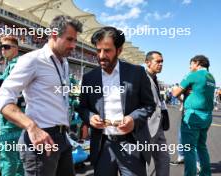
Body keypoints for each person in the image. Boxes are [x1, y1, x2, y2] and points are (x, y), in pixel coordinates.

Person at [0, 15, 83, 176]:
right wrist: (31, 127)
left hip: (63, 138)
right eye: (69, 39)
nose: (73, 46)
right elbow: (1, 97)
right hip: (41, 140)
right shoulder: (32, 60)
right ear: (54, 35)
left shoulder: (65, 62)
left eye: (75, 40)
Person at [78, 26, 155, 176]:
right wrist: (90, 118)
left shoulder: (137, 73)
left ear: (119, 50)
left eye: (107, 50)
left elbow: (149, 105)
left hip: (131, 144)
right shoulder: (89, 78)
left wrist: (133, 119)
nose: (101, 55)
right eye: (98, 50)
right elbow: (82, 108)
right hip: (103, 145)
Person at [172, 55, 215, 176]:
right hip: (207, 115)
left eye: (191, 64)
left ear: (197, 63)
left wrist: (178, 89)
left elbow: (175, 93)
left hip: (194, 114)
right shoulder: (211, 77)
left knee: (188, 148)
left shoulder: (193, 75)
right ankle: (205, 173)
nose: (190, 67)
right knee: (201, 146)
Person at [0, 35, 24, 176]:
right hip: (18, 114)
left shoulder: (16, 63)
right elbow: (4, 77)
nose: (2, 50)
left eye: (6, 47)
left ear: (16, 49)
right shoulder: (13, 63)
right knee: (18, 154)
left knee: (7, 155)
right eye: (1, 47)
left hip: (9, 116)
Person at [145, 51, 170, 176]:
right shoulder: (142, 78)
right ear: (148, 62)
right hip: (146, 128)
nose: (161, 64)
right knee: (143, 164)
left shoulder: (155, 78)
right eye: (158, 61)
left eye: (162, 62)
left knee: (164, 160)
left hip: (158, 127)